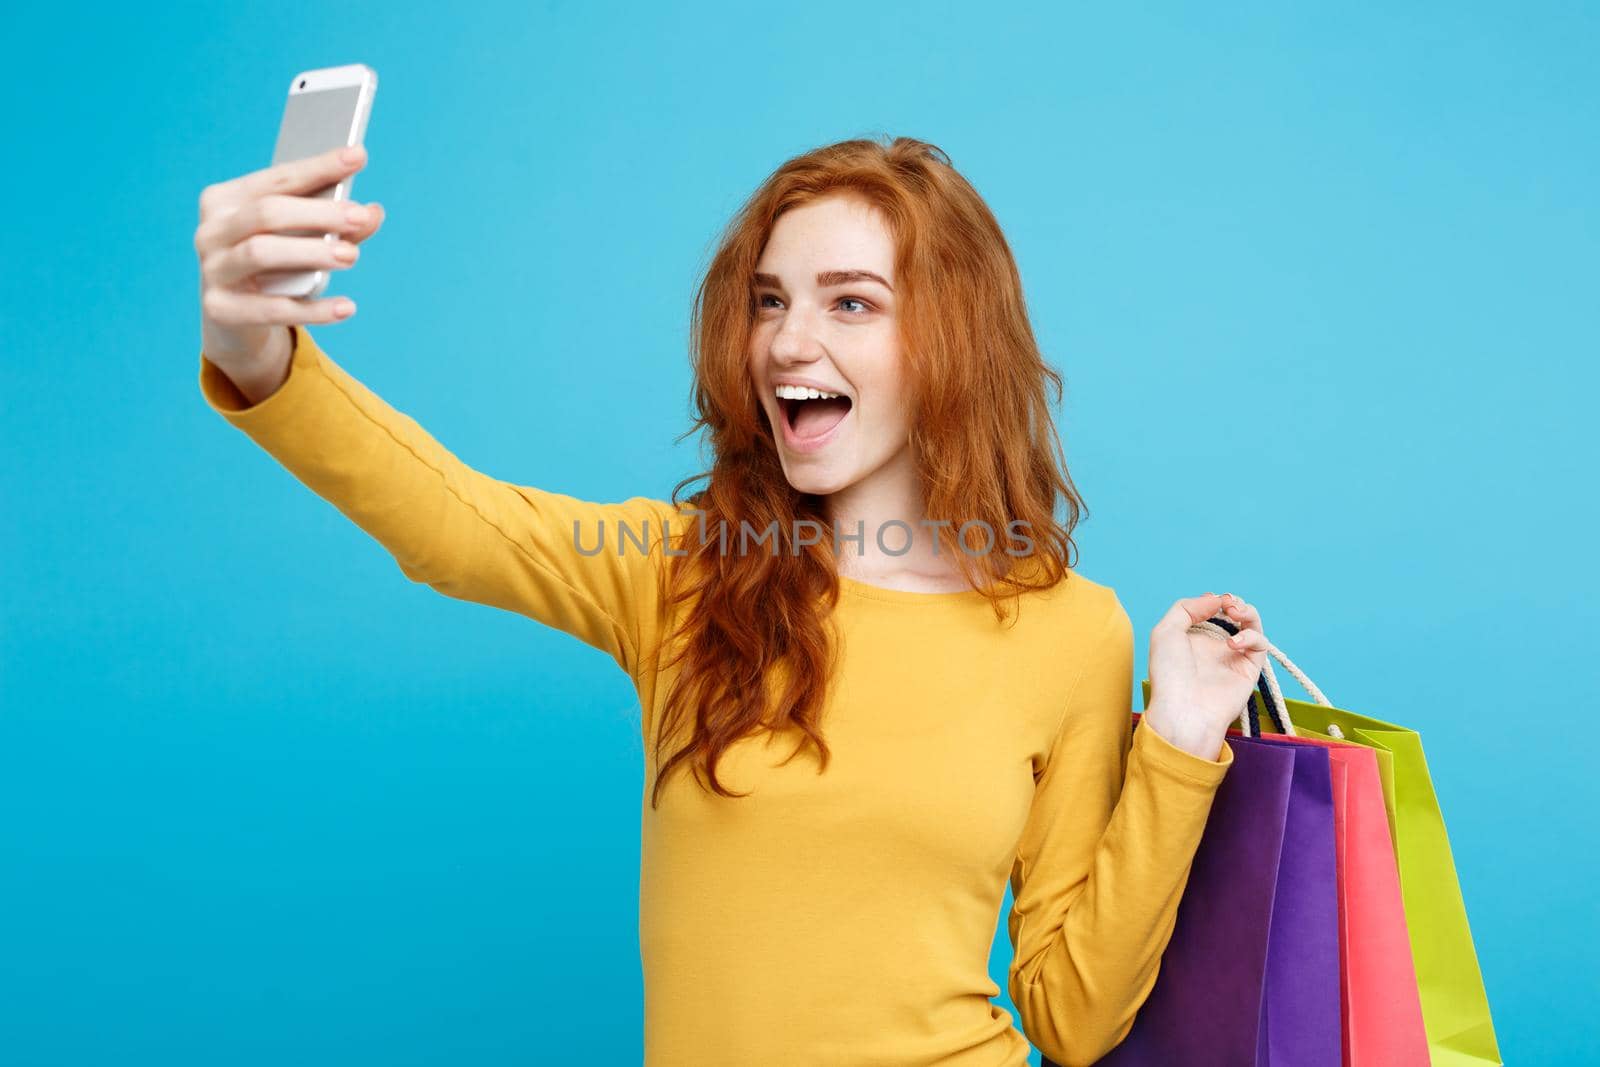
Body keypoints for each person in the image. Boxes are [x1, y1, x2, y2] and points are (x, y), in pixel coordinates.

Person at [193, 135, 1272, 1067]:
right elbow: (451, 521)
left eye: (850, 301)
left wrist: (1179, 739)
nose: (787, 342)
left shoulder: (1068, 625)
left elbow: (1075, 1015)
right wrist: (254, 347)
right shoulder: (683, 571)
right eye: (770, 300)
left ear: (951, 341)